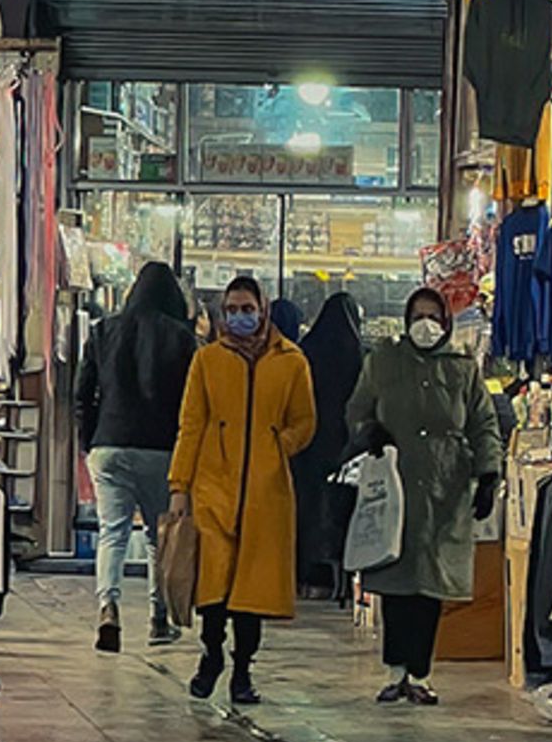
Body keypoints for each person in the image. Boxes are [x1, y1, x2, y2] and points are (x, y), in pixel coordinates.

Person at [344, 286, 501, 708]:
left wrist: (488, 473)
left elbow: (483, 424)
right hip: (394, 484)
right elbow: (358, 410)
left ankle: (421, 671)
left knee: (431, 585)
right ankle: (396, 669)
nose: (425, 323)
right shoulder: (383, 362)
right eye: (418, 315)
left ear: (446, 322)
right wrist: (368, 433)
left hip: (444, 488)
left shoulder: (463, 371)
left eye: (433, 315)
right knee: (396, 581)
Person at [167, 275, 316, 706]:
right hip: (213, 486)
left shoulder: (292, 362)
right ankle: (211, 653)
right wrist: (180, 486)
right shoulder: (207, 361)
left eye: (246, 308)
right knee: (213, 587)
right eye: (231, 309)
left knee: (251, 590)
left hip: (266, 492)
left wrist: (278, 445)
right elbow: (190, 425)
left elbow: (305, 421)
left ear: (263, 309)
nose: (239, 317)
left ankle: (243, 671)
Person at [75, 262, 197, 653]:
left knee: (113, 531)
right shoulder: (182, 338)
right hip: (161, 449)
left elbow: (83, 394)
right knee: (158, 535)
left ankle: (108, 606)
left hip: (109, 444)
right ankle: (158, 617)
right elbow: (190, 405)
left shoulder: (103, 331)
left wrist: (90, 440)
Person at [295, 292, 364, 599]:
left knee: (307, 511)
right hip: (347, 447)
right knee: (343, 513)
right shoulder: (359, 354)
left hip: (309, 443)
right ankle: (343, 582)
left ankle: (307, 577)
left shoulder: (306, 351)